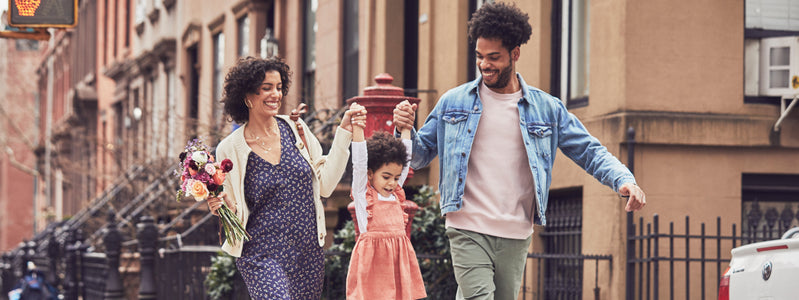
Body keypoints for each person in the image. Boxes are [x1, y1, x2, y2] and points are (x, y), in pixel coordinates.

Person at [392, 2, 647, 299]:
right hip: (466, 226)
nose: (484, 64)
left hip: (516, 232)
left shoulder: (546, 109)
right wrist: (404, 130)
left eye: (494, 57)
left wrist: (622, 179)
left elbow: (588, 150)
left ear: (515, 54)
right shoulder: (454, 102)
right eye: (479, 56)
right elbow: (420, 155)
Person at [206, 56, 364, 299]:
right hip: (261, 254)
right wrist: (221, 206)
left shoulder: (296, 129)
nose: (275, 95)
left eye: (279, 88)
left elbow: (325, 185)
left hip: (307, 252)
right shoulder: (229, 149)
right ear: (247, 96)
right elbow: (234, 211)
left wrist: (344, 131)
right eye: (266, 88)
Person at [345, 102, 427, 300]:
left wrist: (406, 128)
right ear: (371, 174)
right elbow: (359, 163)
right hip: (372, 271)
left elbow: (405, 161)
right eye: (386, 176)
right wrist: (358, 126)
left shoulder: (396, 194)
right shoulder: (364, 196)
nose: (392, 183)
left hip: (398, 268)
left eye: (396, 178)